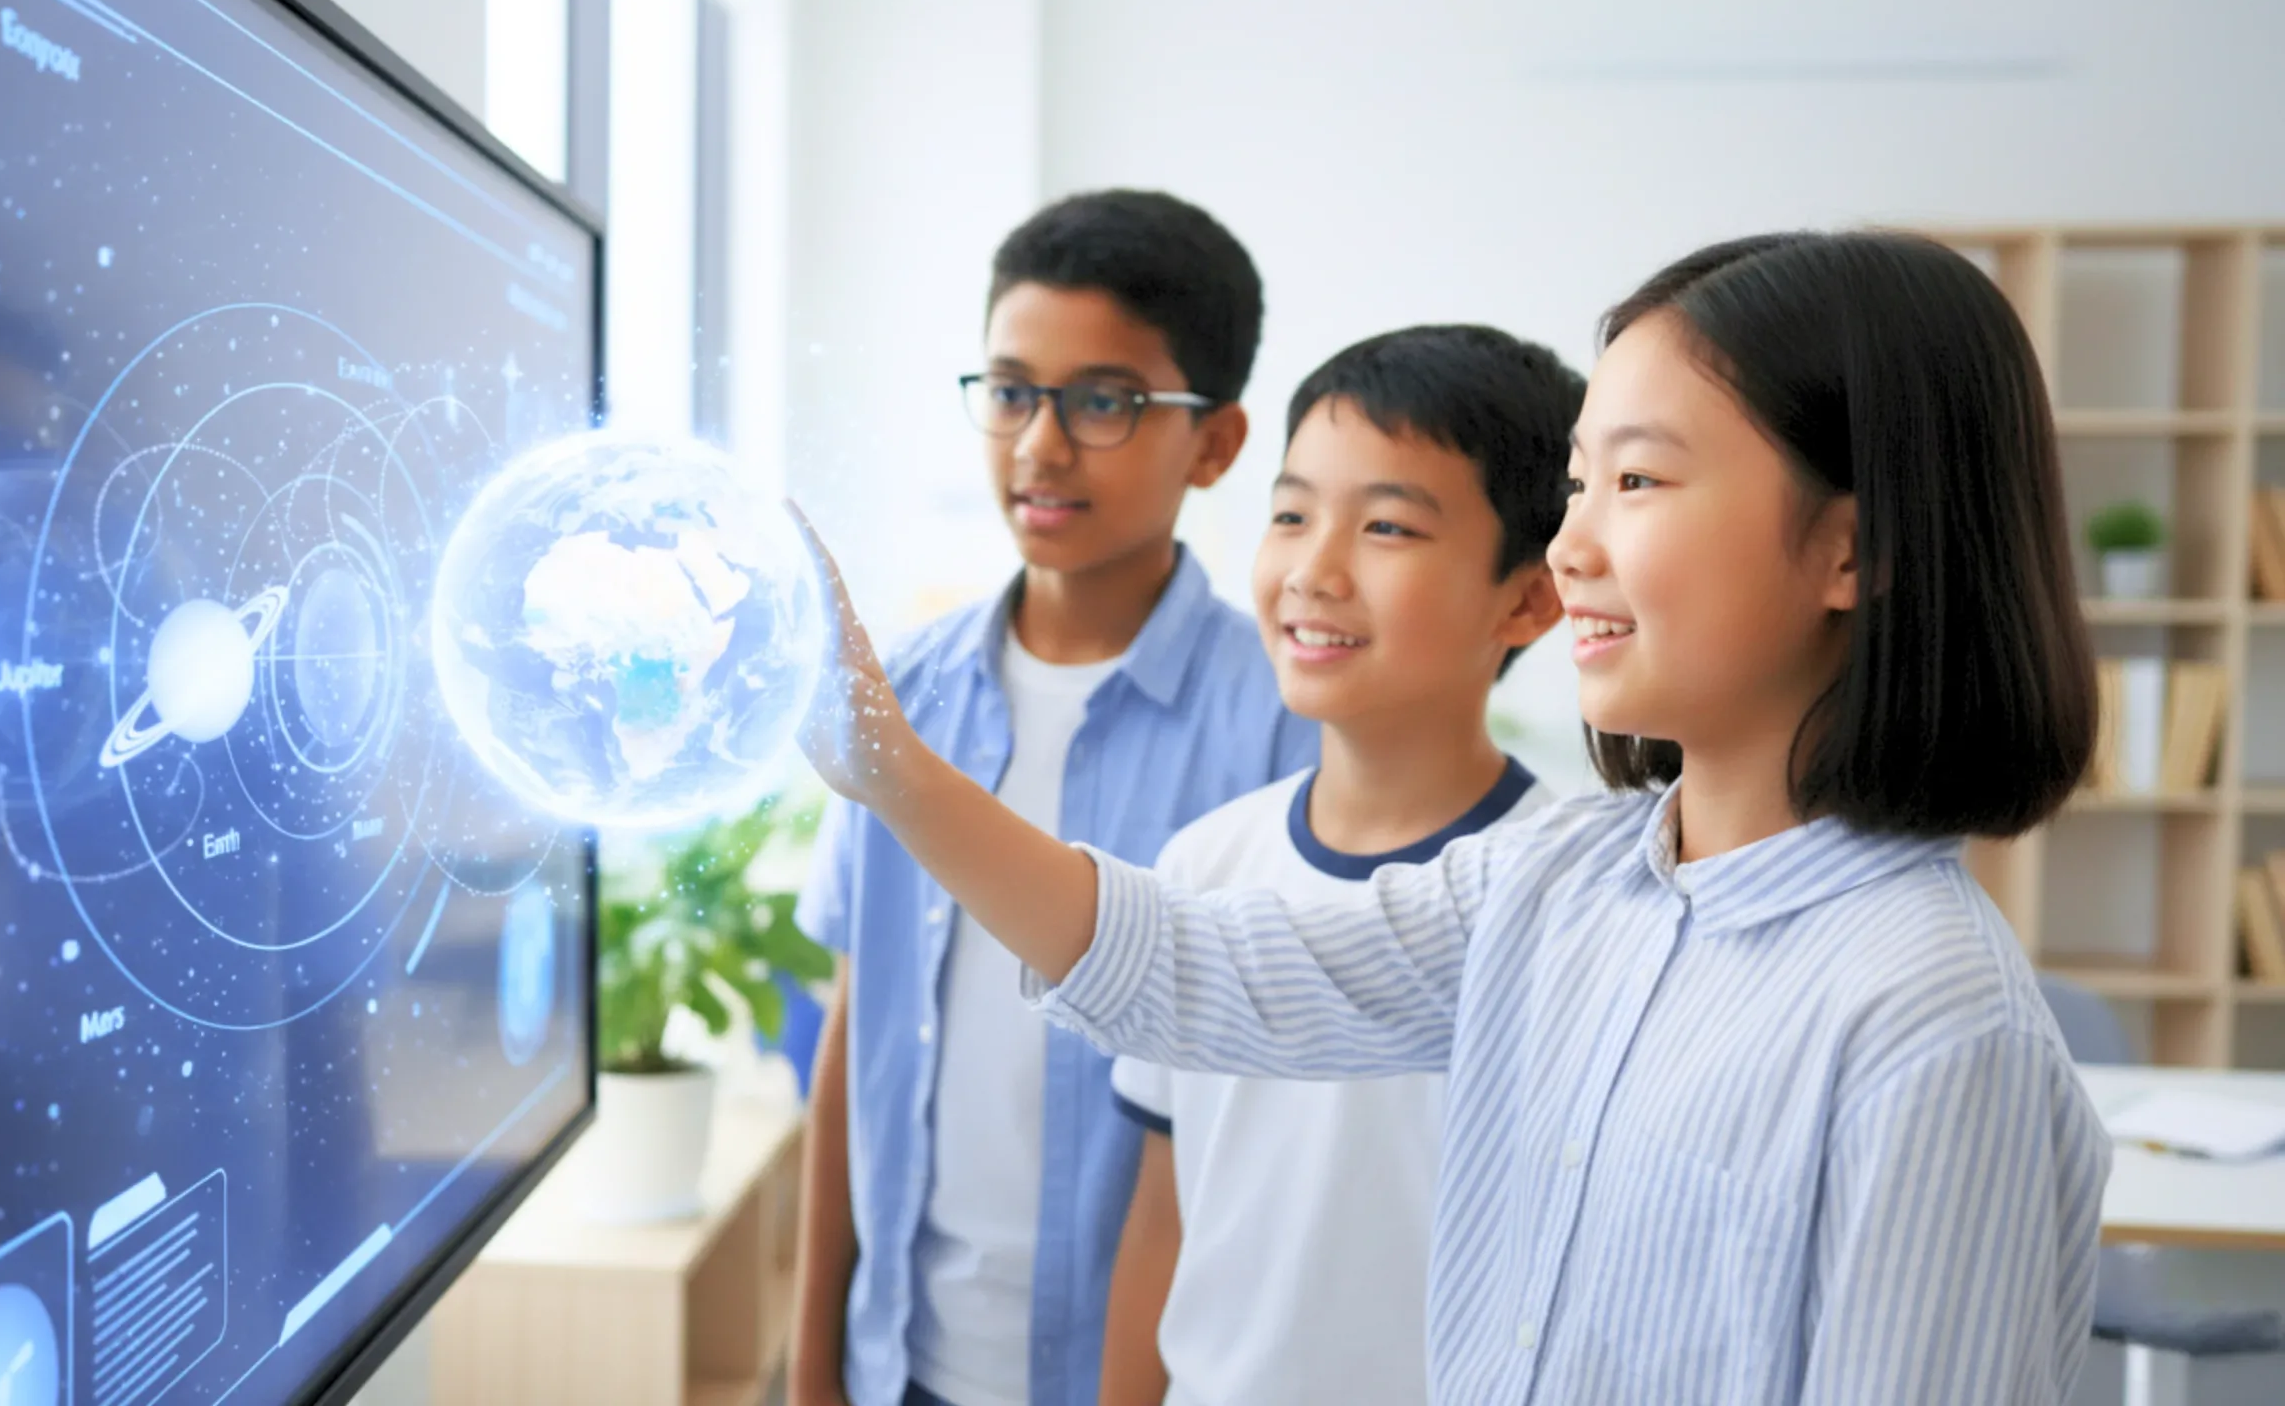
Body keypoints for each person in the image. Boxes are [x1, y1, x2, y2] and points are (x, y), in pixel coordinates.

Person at [797, 230, 2110, 1403]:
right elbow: (1196, 973)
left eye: (1639, 484)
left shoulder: (1931, 1023)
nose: (1575, 546)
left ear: (1851, 551)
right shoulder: (1566, 879)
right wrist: (892, 766)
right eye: (1579, 485)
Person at [787, 189, 1317, 1406]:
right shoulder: (889, 698)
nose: (1039, 444)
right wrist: (812, 1370)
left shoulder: (1280, 725)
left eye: (1103, 402)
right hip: (901, 1370)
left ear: (1218, 442)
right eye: (1013, 390)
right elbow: (852, 1044)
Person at [1097, 324, 1580, 1406]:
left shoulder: (1562, 902)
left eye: (1388, 528)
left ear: (1530, 596)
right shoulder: (1205, 861)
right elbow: (1163, 1215)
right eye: (1289, 514)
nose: (1313, 570)